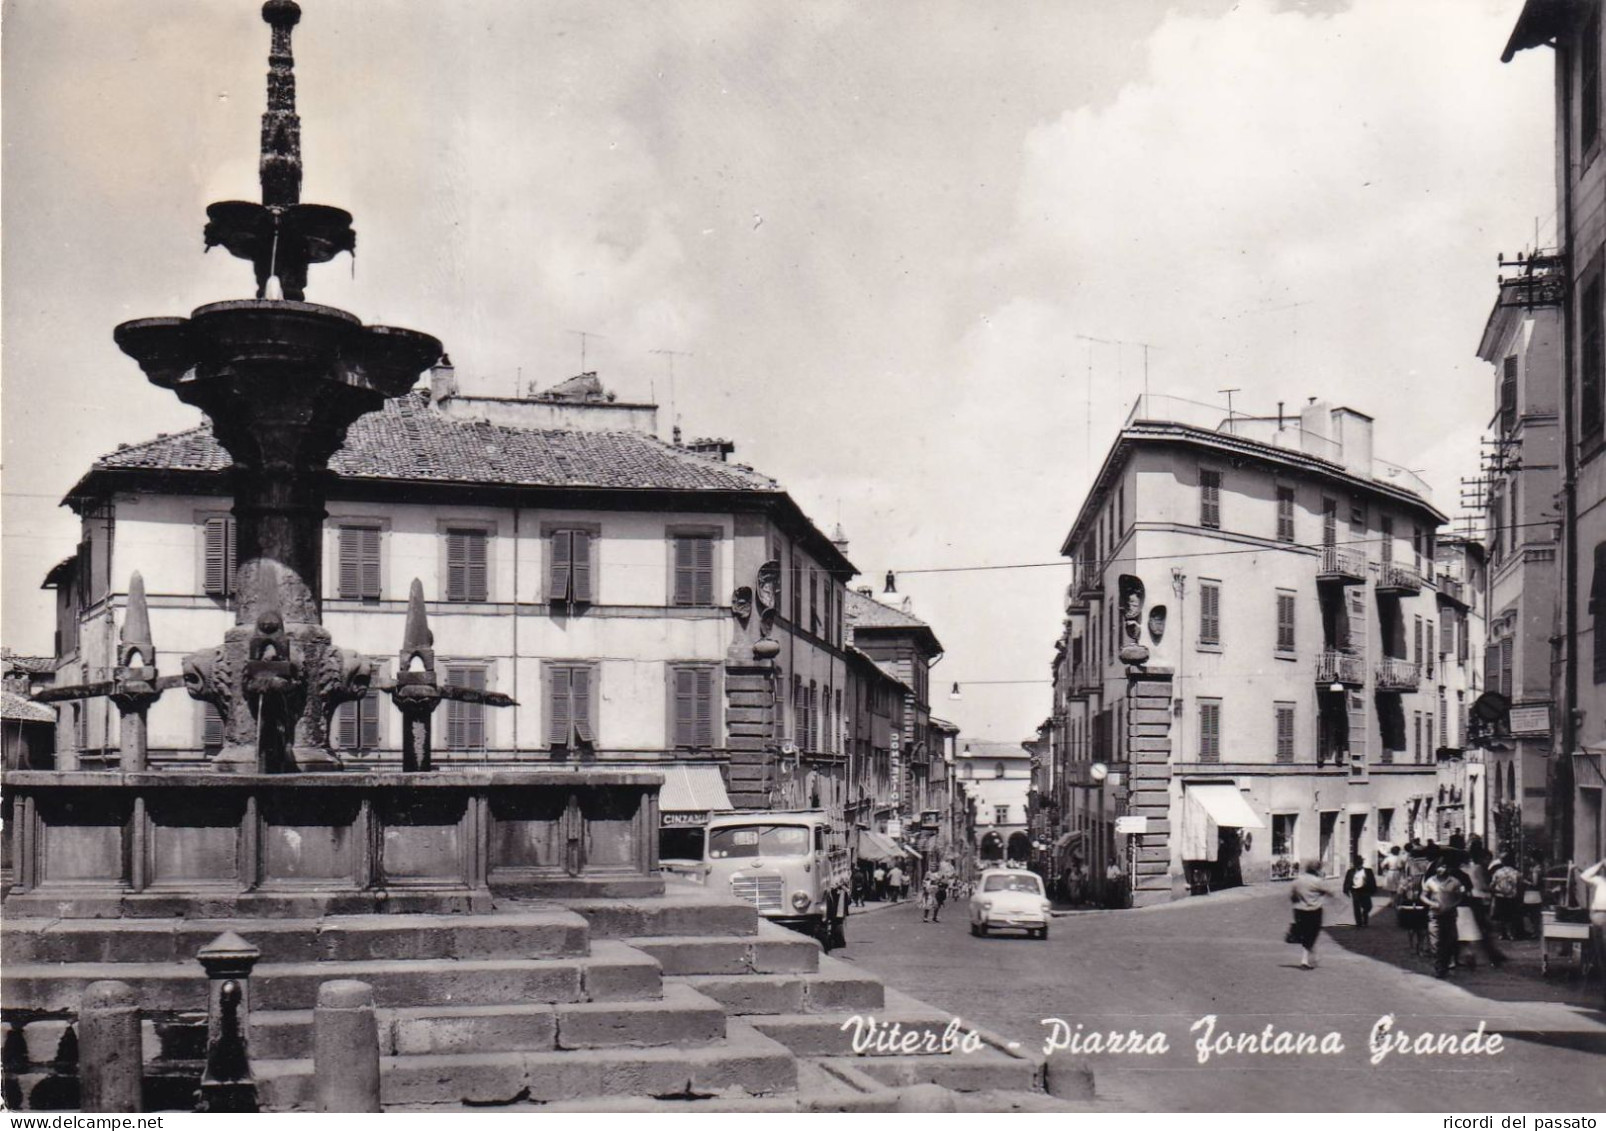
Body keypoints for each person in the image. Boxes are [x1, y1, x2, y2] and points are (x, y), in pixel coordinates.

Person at [1422, 857, 1466, 978]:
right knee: (1435, 943)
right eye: (1440, 867)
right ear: (1436, 868)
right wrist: (1432, 904)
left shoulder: (1455, 882)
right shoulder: (1430, 881)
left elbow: (1460, 896)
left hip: (1450, 915)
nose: (1443, 869)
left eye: (1445, 867)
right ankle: (1439, 967)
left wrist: (1453, 904)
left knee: (1449, 941)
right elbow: (1423, 896)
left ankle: (1445, 965)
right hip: (1434, 915)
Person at [1288, 859, 1335, 970]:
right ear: (1317, 869)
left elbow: (1292, 896)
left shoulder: (1298, 880)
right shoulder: (1317, 881)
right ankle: (1305, 960)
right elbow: (1330, 892)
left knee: (1305, 934)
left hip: (1299, 910)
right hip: (1314, 911)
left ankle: (1308, 956)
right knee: (1312, 934)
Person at [1579, 858, 1606, 1007]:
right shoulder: (1600, 881)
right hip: (1599, 918)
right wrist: (1601, 863)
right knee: (1602, 958)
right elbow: (1584, 876)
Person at [1489, 852, 1525, 940]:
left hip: (1500, 896)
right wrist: (1520, 897)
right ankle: (1511, 934)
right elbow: (1520, 886)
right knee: (1511, 916)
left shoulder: (1498, 872)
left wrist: (1494, 892)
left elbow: (1492, 885)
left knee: (1502, 916)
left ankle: (1502, 934)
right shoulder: (1516, 873)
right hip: (1512, 897)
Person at [1343, 853, 1377, 928]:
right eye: (1357, 863)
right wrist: (1346, 890)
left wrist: (1373, 890)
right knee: (1356, 907)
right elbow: (1347, 881)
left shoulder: (1368, 871)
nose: (1358, 865)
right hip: (1355, 891)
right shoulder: (1350, 871)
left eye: (1360, 863)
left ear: (1362, 863)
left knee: (1368, 906)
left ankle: (1364, 914)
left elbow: (1372, 881)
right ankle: (1359, 923)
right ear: (1355, 864)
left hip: (1365, 890)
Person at [823, 881, 850, 953]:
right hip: (834, 894)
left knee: (837, 919)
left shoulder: (839, 888)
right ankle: (836, 940)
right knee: (836, 920)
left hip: (836, 896)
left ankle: (838, 941)